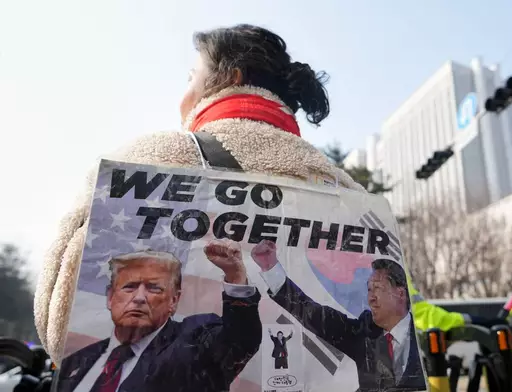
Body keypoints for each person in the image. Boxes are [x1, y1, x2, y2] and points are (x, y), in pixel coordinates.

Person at [34, 23, 365, 366]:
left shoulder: (149, 158)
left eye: (191, 77)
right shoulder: (344, 187)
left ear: (230, 78)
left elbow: (58, 322)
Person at [55, 239, 261, 392]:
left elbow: (239, 339)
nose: (139, 298)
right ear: (110, 297)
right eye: (130, 287)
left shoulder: (195, 339)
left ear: (173, 300)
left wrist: (235, 277)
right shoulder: (77, 361)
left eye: (153, 288)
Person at [251, 240, 425, 392]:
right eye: (369, 289)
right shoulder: (365, 332)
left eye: (378, 288)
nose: (370, 298)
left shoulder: (425, 336)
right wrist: (271, 269)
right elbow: (314, 315)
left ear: (400, 293)